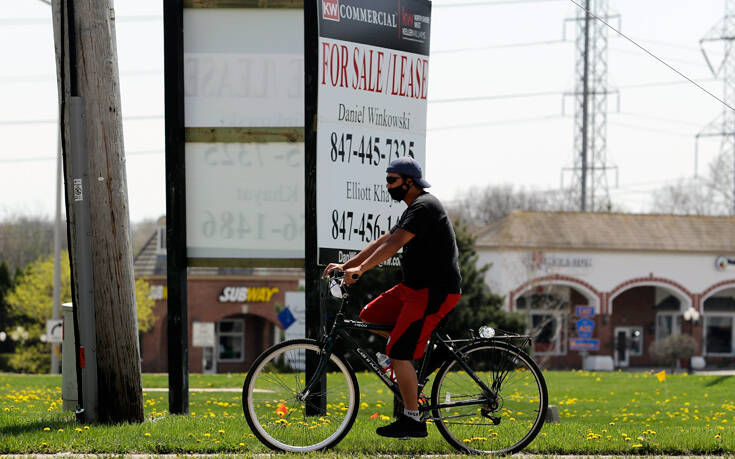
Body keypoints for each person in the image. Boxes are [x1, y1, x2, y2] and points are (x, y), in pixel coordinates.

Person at [322, 156, 462, 438]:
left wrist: (362, 269)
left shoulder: (424, 206)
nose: (387, 186)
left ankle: (412, 419)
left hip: (434, 291)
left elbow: (396, 243)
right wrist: (348, 265)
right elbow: (385, 240)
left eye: (392, 180)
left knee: (397, 352)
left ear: (409, 183)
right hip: (412, 289)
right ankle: (410, 359)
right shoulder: (414, 208)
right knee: (370, 316)